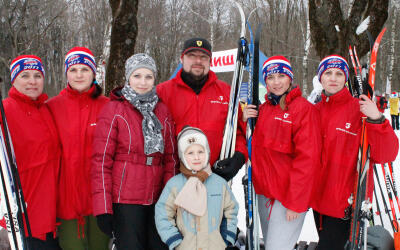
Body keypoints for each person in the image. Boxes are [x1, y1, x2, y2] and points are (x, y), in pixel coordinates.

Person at [310, 55, 399, 250]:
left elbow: (386, 154)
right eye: (328, 73)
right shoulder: (313, 111)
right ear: (320, 78)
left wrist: (376, 118)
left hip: (346, 204)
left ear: (345, 78)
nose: (333, 78)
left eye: (339, 73)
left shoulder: (359, 109)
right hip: (317, 201)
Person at [91, 53, 177, 249]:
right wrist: (103, 208)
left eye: (148, 76)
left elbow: (171, 159)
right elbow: (101, 161)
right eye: (137, 76)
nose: (143, 82)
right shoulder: (114, 109)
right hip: (125, 200)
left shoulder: (162, 110)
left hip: (157, 199)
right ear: (128, 77)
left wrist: (170, 197)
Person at [242, 55, 321, 249]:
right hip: (265, 194)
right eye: (270, 77)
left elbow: (308, 160)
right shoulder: (264, 109)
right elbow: (255, 148)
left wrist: (296, 202)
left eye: (281, 76)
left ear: (290, 78)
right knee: (271, 243)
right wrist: (244, 121)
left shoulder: (303, 109)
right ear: (265, 81)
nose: (276, 82)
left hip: (287, 197)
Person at [157, 37, 247, 181]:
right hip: (173, 178)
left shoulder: (226, 92)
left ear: (210, 61)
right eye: (192, 56)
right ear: (182, 59)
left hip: (214, 176)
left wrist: (239, 157)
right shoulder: (162, 92)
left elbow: (239, 132)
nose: (198, 61)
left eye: (203, 57)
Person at [47, 47, 110, 250]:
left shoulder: (108, 106)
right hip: (67, 201)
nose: (79, 75)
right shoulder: (52, 107)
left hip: (99, 201)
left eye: (85, 69)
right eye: (73, 70)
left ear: (93, 73)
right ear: (66, 73)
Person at [3, 55, 61, 249]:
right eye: (25, 75)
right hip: (24, 211)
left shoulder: (45, 109)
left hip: (51, 210)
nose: (32, 81)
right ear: (14, 79)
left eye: (37, 75)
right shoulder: (5, 110)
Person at [155, 126, 238, 250]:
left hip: (215, 246)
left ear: (207, 152)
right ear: (182, 156)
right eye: (190, 153)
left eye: (200, 151)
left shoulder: (219, 183)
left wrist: (227, 237)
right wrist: (174, 239)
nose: (196, 157)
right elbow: (163, 213)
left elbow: (231, 210)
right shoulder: (175, 185)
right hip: (186, 246)